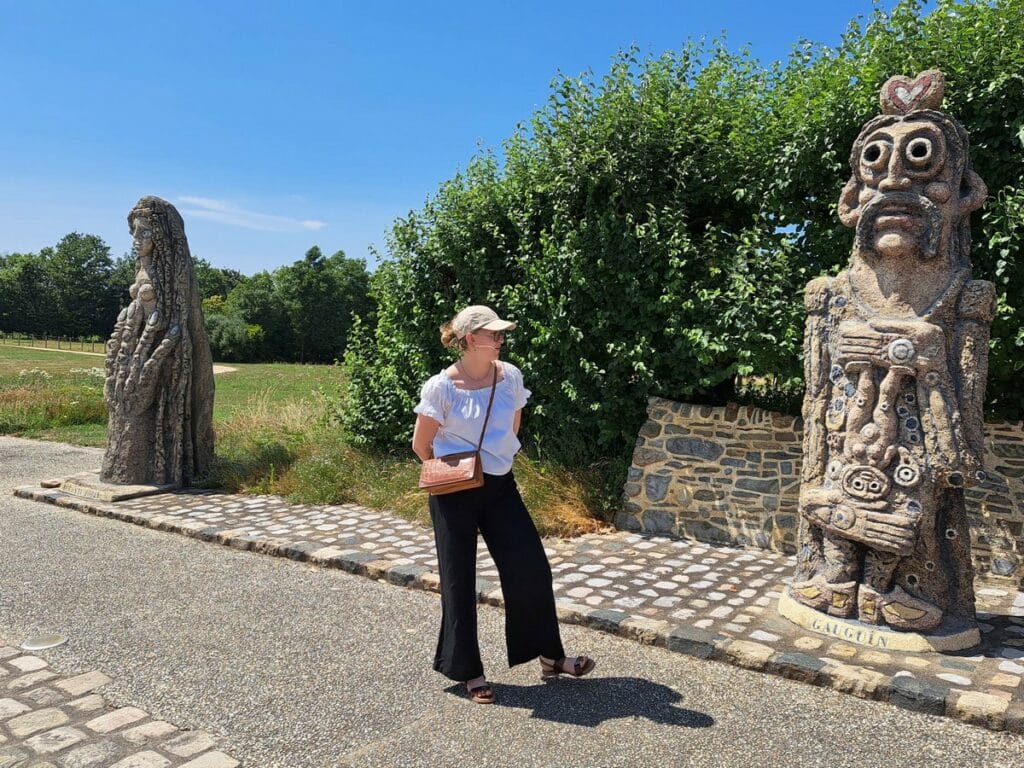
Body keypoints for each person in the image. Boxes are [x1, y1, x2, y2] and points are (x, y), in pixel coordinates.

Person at [412, 305, 596, 704]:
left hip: (499, 484)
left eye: (500, 333)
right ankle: (468, 670)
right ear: (468, 339)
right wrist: (451, 471)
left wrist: (493, 460)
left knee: (530, 568)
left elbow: (512, 427)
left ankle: (550, 656)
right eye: (491, 333)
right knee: (459, 579)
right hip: (453, 491)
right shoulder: (441, 387)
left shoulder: (509, 376)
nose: (499, 338)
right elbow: (421, 445)